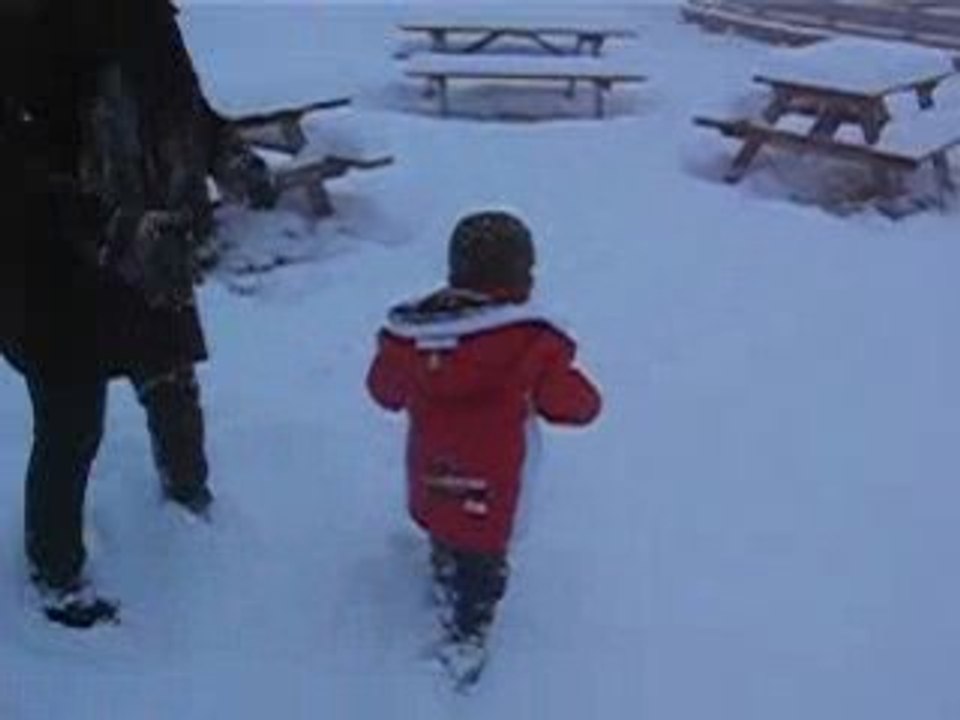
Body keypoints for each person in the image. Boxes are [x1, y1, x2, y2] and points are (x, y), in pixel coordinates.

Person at [0, 0, 275, 627]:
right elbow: (21, 172)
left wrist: (228, 156)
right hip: (55, 268)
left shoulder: (149, 19)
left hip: (152, 249)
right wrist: (115, 230)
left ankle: (189, 506)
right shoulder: (23, 30)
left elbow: (186, 112)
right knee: (71, 425)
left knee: (172, 381)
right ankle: (57, 573)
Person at [365, 210, 602, 681]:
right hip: (497, 477)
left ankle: (443, 569)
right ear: (521, 277)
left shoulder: (414, 338)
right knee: (484, 555)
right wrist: (585, 399)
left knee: (444, 520)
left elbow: (383, 391)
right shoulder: (530, 342)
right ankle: (468, 633)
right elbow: (572, 404)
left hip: (433, 466)